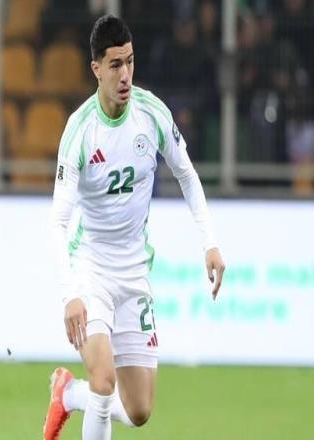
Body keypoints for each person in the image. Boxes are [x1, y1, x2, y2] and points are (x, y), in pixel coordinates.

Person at [43, 15, 225, 440]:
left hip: (134, 273)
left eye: (129, 62)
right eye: (115, 65)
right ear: (96, 69)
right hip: (91, 271)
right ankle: (85, 391)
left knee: (139, 409)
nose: (125, 74)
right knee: (104, 382)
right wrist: (71, 294)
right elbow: (58, 222)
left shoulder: (151, 114)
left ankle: (67, 393)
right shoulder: (80, 131)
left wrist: (210, 243)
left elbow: (187, 176)